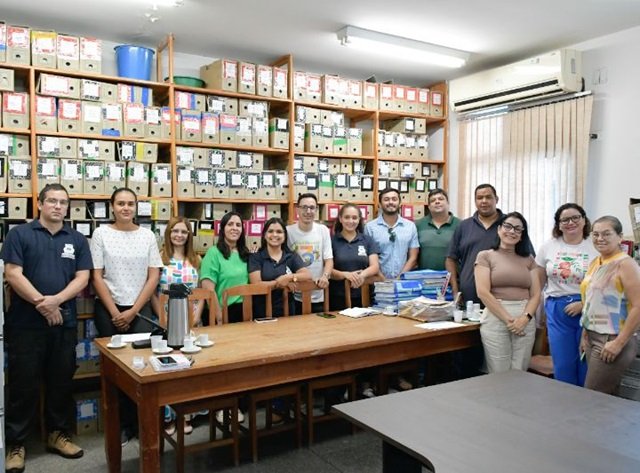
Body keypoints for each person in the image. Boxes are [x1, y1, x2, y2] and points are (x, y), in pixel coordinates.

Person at [1, 184, 92, 472]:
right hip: (25, 325)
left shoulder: (77, 239)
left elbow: (83, 278)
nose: (58, 206)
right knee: (23, 384)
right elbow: (12, 274)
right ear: (39, 204)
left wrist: (56, 302)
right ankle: (16, 444)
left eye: (63, 202)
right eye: (52, 201)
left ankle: (57, 434)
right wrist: (43, 303)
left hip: (63, 323)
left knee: (61, 381)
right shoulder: (19, 234)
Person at [90, 187, 163, 445]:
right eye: (120, 203)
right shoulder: (100, 234)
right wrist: (115, 312)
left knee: (141, 367)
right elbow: (96, 275)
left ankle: (139, 421)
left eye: (130, 204)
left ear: (136, 207)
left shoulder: (147, 235)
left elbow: (153, 276)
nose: (125, 208)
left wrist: (133, 311)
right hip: (108, 309)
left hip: (139, 309)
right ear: (112, 206)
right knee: (116, 370)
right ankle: (121, 425)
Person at [151, 216, 203, 436]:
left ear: (189, 235)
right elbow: (153, 293)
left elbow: (200, 293)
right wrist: (161, 319)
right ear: (168, 233)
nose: (179, 235)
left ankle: (186, 415)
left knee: (189, 368)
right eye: (175, 231)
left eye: (183, 231)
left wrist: (195, 318)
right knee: (169, 369)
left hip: (191, 320)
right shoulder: (159, 258)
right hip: (166, 321)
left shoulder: (196, 259)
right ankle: (168, 418)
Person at [536, 204, 598, 386]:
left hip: (590, 308)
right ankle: (564, 400)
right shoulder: (548, 247)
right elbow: (539, 284)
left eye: (575, 218)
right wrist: (539, 314)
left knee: (585, 360)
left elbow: (605, 284)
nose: (570, 222)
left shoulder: (595, 246)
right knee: (563, 363)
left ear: (584, 220)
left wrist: (584, 304)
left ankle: (584, 401)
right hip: (557, 308)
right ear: (558, 224)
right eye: (564, 219)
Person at [580, 216, 640, 394]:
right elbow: (591, 300)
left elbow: (638, 306)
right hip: (592, 336)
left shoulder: (626, 264)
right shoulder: (596, 262)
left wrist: (619, 343)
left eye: (606, 234)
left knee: (593, 396)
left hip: (613, 338)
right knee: (607, 396)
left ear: (620, 237)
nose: (600, 238)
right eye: (596, 234)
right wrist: (585, 332)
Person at [474, 212, 540, 373]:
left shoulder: (529, 259)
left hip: (525, 318)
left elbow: (536, 294)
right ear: (499, 229)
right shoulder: (485, 256)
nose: (512, 231)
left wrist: (524, 319)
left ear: (522, 235)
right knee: (499, 372)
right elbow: (483, 292)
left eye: (517, 229)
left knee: (520, 370)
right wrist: (509, 320)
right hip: (496, 316)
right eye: (508, 226)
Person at [446, 184, 503, 303]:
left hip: (502, 297)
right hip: (469, 297)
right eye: (479, 198)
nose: (484, 201)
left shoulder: (508, 225)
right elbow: (451, 259)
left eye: (488, 197)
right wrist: (456, 291)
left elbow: (526, 257)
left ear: (496, 199)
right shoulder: (464, 226)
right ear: (475, 201)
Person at [249, 217, 312, 316]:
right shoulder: (256, 257)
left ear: (284, 236)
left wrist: (289, 278)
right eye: (270, 231)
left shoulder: (291, 256)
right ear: (264, 235)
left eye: (279, 232)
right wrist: (279, 283)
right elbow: (256, 285)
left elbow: (307, 275)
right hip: (262, 314)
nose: (274, 235)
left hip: (288, 312)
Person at [287, 193, 333, 314]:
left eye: (312, 208)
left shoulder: (323, 230)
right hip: (294, 294)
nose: (308, 211)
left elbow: (328, 259)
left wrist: (325, 276)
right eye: (304, 207)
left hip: (318, 290)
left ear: (316, 210)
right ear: (297, 209)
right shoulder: (288, 231)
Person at [200, 211, 250, 324]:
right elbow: (208, 290)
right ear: (222, 229)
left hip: (244, 312)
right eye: (230, 224)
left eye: (238, 225)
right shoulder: (213, 253)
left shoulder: (245, 254)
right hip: (221, 313)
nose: (234, 228)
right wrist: (219, 318)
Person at [330, 204, 381, 310]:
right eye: (347, 217)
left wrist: (361, 276)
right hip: (337, 297)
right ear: (340, 219)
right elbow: (327, 269)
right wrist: (345, 275)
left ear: (359, 220)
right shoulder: (332, 241)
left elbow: (375, 266)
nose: (351, 221)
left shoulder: (368, 240)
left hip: (365, 295)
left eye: (354, 218)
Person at [364, 187, 419, 279]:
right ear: (380, 204)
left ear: (399, 203)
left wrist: (400, 278)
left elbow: (413, 257)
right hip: (377, 281)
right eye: (386, 199)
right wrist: (382, 279)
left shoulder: (410, 226)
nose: (390, 202)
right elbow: (367, 257)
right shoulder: (370, 227)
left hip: (403, 281)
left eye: (394, 199)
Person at [416, 188, 460, 271]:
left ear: (448, 203)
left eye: (441, 199)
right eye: (433, 200)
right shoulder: (418, 225)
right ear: (429, 206)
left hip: (453, 277)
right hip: (424, 277)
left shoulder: (460, 225)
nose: (437, 202)